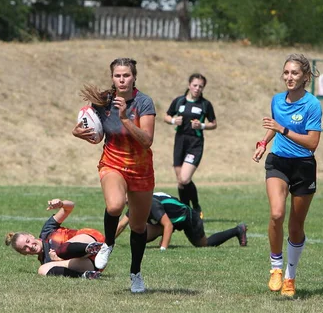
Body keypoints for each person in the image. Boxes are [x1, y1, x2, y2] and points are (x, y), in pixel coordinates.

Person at [72, 58, 156, 293]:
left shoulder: (144, 102)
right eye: (118, 75)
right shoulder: (102, 101)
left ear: (134, 77)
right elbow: (97, 136)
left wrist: (125, 118)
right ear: (112, 78)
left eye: (126, 75)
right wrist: (78, 133)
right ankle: (108, 243)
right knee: (115, 206)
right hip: (113, 163)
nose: (122, 79)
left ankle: (136, 274)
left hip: (141, 170)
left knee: (139, 227)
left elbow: (147, 141)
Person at [252, 54, 322, 298]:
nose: (289, 77)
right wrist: (264, 142)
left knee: (295, 226)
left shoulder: (312, 105)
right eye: (286, 73)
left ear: (305, 77)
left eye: (294, 73)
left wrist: (283, 129)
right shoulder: (276, 100)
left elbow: (312, 143)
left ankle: (290, 277)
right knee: (276, 213)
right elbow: (275, 127)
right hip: (278, 163)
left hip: (303, 166)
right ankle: (275, 268)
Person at [5, 199, 105, 279]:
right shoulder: (46, 262)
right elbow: (70, 263)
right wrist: (57, 261)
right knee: (42, 269)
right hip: (93, 263)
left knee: (62, 250)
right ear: (24, 253)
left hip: (89, 239)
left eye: (28, 241)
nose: (30, 246)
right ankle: (86, 276)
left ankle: (95, 247)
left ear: (31, 236)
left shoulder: (46, 231)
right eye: (25, 248)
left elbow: (70, 207)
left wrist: (61, 203)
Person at [115, 192, 247, 250]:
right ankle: (163, 239)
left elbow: (168, 225)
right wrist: (107, 242)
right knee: (139, 233)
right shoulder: (136, 204)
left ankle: (238, 230)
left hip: (187, 217)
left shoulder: (151, 204)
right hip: (172, 219)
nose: (126, 202)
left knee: (204, 244)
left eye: (127, 198)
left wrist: (163, 249)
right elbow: (121, 225)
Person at [164, 73, 216, 219]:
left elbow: (214, 123)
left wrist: (202, 125)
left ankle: (196, 206)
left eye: (200, 86)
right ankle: (185, 211)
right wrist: (174, 121)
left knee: (185, 178)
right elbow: (166, 116)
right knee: (180, 181)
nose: (197, 88)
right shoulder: (179, 101)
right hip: (180, 141)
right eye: (195, 85)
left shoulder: (205, 104)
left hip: (195, 143)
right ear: (189, 85)